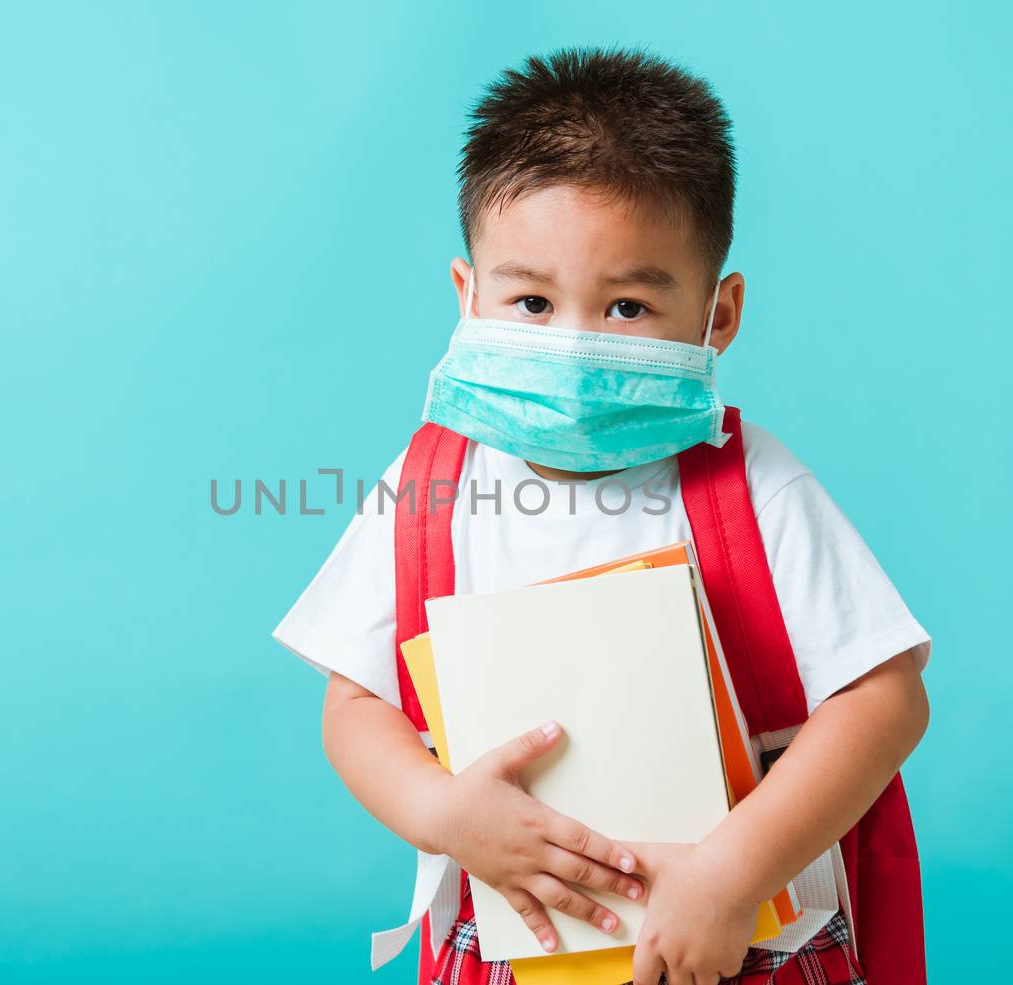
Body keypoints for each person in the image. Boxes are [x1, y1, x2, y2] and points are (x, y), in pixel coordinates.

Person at [273, 45, 931, 985]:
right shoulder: (429, 490)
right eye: (531, 300)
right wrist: (438, 813)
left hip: (737, 937)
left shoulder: (755, 489)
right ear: (469, 297)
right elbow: (354, 703)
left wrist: (733, 870)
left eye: (626, 306)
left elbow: (886, 699)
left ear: (720, 313)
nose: (572, 344)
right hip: (519, 940)